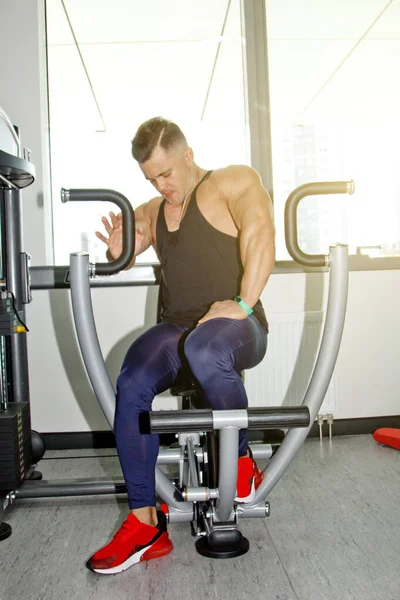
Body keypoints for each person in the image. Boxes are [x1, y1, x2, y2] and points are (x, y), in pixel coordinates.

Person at [87, 117, 275, 575]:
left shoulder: (231, 182)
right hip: (177, 329)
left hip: (237, 325)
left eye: (167, 173)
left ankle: (243, 460)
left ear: (187, 155)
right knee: (132, 381)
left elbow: (261, 232)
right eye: (152, 178)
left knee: (206, 348)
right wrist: (121, 251)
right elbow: (135, 240)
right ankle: (143, 522)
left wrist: (243, 302)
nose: (162, 185)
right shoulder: (153, 208)